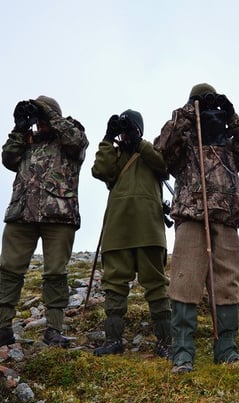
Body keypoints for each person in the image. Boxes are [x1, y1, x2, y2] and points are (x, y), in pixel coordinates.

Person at [154, 83, 239, 373]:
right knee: (184, 282)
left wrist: (231, 116)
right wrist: (189, 111)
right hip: (191, 217)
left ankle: (226, 348)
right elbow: (162, 148)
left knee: (227, 284)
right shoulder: (183, 141)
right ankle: (182, 352)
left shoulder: (230, 144)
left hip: (225, 218)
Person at [0, 96, 89, 351]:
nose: (40, 123)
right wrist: (19, 127)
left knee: (56, 273)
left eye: (43, 116)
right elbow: (8, 158)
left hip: (59, 215)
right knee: (9, 271)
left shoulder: (70, 137)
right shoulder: (27, 140)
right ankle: (1, 330)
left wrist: (50, 114)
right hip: (21, 214)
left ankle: (54, 330)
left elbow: (77, 142)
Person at [90, 109, 172, 358]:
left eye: (130, 129)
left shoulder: (151, 152)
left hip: (148, 229)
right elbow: (100, 170)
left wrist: (139, 143)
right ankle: (113, 340)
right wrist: (108, 138)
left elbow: (165, 165)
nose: (125, 135)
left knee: (156, 285)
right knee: (114, 286)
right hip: (119, 230)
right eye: (123, 131)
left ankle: (166, 342)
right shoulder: (115, 156)